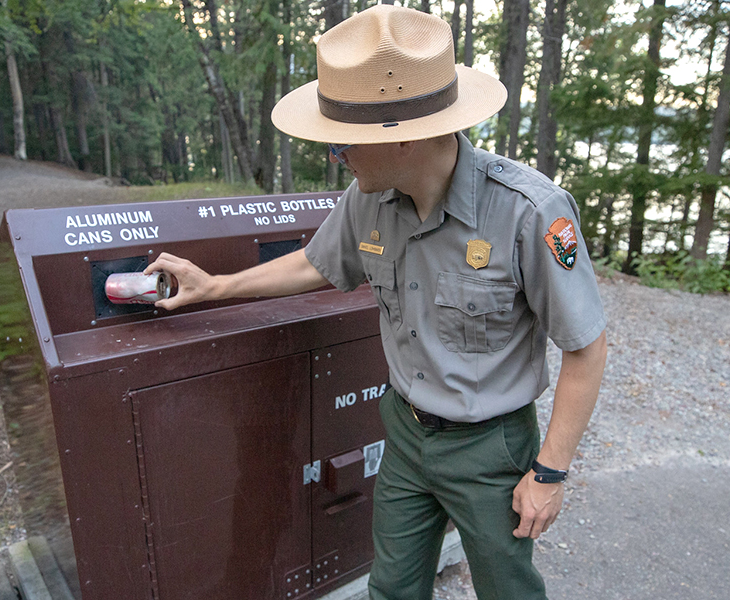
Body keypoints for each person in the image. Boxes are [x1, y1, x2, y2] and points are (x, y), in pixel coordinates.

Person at [144, 5, 607, 599]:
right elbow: (316, 261)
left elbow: (586, 348)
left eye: (344, 142)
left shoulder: (528, 211)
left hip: (491, 448)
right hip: (407, 434)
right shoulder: (369, 197)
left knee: (508, 590)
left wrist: (549, 471)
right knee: (390, 588)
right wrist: (217, 286)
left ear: (405, 139)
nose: (335, 154)